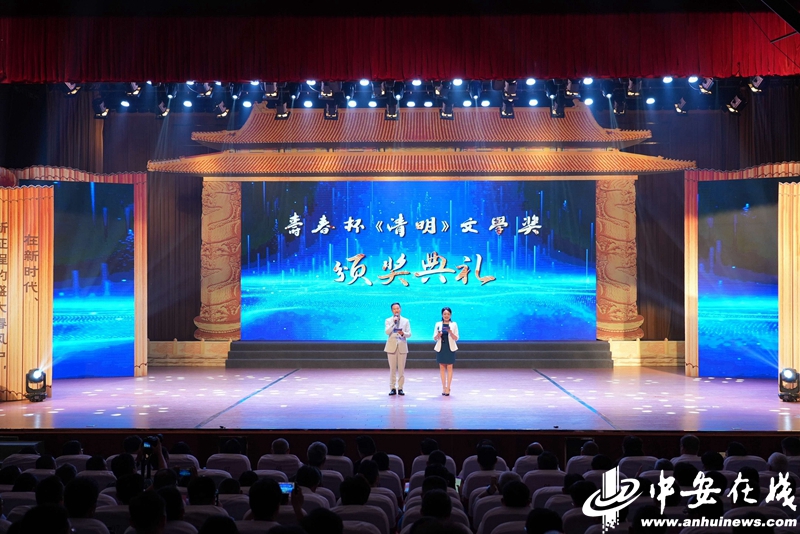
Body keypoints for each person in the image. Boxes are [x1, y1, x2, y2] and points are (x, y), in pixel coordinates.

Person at [384, 302, 411, 396]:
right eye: (394, 309)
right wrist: (393, 323)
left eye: (398, 308)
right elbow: (387, 332)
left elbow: (409, 334)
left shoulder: (406, 321)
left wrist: (403, 333)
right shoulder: (388, 320)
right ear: (392, 310)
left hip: (402, 346)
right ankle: (392, 388)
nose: (396, 310)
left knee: (401, 370)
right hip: (391, 347)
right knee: (392, 369)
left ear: (400, 309)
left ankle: (400, 388)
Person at [433, 306, 459, 396]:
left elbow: (456, 338)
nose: (446, 315)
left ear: (450, 315)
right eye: (444, 314)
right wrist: (439, 335)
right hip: (441, 347)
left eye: (448, 314)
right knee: (442, 367)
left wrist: (451, 332)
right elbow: (434, 338)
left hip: (450, 347)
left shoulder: (454, 324)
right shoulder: (438, 324)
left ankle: (448, 388)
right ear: (442, 315)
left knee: (450, 367)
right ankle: (444, 387)